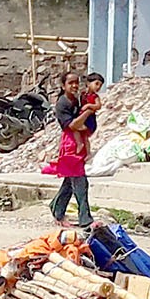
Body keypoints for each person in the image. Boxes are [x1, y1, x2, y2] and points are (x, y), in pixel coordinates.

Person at [48, 71, 93, 229]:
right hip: (70, 144)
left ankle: (57, 208)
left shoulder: (77, 100)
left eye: (76, 82)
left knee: (70, 181)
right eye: (70, 83)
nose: (74, 85)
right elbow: (72, 125)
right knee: (80, 182)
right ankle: (85, 218)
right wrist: (88, 111)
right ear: (63, 86)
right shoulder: (62, 104)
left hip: (79, 141)